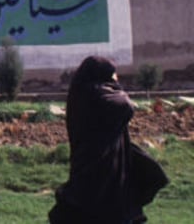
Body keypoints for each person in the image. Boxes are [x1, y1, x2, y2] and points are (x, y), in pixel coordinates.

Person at [49, 56, 168, 223]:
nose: (116, 77)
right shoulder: (91, 93)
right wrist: (115, 85)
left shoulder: (83, 90)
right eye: (113, 74)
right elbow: (125, 105)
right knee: (95, 204)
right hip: (97, 162)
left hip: (107, 160)